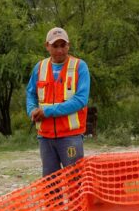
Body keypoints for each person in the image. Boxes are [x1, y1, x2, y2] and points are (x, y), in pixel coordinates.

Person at [26, 27, 91, 177]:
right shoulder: (39, 67)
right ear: (47, 46)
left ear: (69, 45)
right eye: (55, 46)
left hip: (71, 136)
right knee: (50, 184)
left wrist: (46, 111)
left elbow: (80, 100)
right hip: (45, 137)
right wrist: (32, 110)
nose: (60, 50)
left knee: (75, 183)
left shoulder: (80, 67)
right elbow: (30, 93)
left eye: (63, 45)